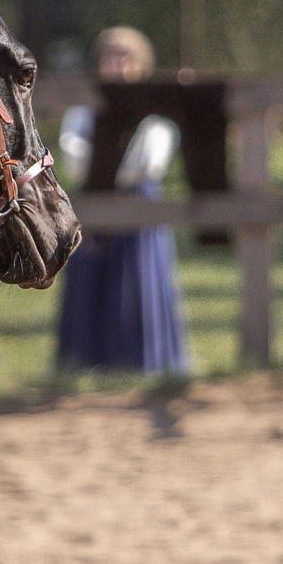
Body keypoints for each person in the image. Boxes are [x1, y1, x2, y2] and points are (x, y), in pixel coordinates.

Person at [53, 27, 190, 375]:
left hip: (138, 201)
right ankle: (87, 358)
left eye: (126, 58)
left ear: (140, 64)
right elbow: (73, 152)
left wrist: (110, 165)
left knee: (138, 280)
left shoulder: (152, 109)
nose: (118, 65)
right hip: (94, 199)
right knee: (91, 279)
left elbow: (151, 158)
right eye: (111, 58)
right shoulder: (87, 105)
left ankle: (146, 360)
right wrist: (104, 166)